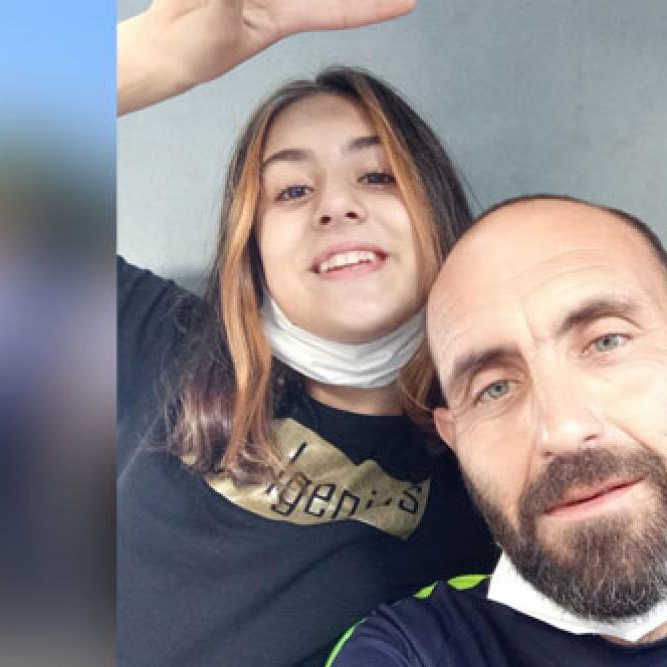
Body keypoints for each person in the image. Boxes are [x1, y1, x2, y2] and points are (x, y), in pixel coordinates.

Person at [117, 1, 497, 664]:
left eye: (377, 176)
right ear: (252, 244)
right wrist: (152, 58)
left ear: (437, 214)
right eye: (292, 190)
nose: (337, 205)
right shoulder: (163, 338)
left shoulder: (498, 464)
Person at [329, 195, 667, 666]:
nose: (563, 430)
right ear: (456, 440)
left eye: (607, 342)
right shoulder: (409, 649)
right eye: (495, 388)